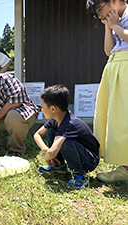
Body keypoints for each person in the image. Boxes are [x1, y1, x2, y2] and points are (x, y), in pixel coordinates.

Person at [86, 0, 128, 183]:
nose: (99, 15)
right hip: (115, 67)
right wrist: (108, 27)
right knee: (116, 119)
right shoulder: (113, 21)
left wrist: (115, 26)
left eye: (99, 9)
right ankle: (124, 166)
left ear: (112, 1)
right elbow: (109, 51)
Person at [34, 85, 100, 188]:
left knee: (64, 141)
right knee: (51, 131)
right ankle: (59, 165)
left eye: (43, 107)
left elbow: (53, 152)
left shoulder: (69, 124)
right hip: (81, 153)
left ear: (52, 109)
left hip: (90, 160)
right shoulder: (56, 119)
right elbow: (37, 134)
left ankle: (79, 174)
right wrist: (45, 149)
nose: (41, 109)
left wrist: (48, 156)